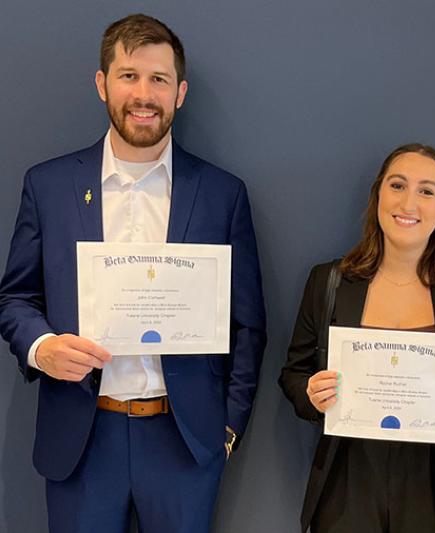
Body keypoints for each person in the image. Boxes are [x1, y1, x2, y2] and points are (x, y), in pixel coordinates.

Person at [0, 14, 266, 533]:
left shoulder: (222, 194)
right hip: (80, 438)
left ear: (180, 93)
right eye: (128, 76)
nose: (143, 94)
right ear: (102, 84)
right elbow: (14, 299)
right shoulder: (49, 186)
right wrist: (42, 348)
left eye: (159, 79)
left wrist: (227, 427)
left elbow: (248, 324)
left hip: (184, 443)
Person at [280, 144, 435, 533]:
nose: (409, 202)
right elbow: (294, 375)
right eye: (397, 185)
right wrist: (312, 394)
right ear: (378, 196)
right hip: (347, 477)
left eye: (427, 191)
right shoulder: (329, 281)